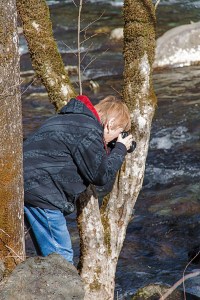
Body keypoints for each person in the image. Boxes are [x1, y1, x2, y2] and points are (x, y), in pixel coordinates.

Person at [24, 95, 133, 264]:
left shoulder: (70, 118)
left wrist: (109, 147)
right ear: (111, 124)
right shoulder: (88, 130)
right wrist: (120, 148)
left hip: (24, 185)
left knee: (48, 258)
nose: (116, 138)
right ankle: (59, 291)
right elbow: (100, 175)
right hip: (42, 192)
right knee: (60, 258)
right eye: (119, 133)